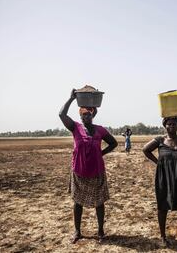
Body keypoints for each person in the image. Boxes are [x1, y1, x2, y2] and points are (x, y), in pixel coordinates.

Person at [59, 88, 118, 244]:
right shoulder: (75, 128)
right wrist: (71, 98)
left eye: (89, 113)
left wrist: (101, 153)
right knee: (77, 202)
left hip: (97, 172)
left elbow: (114, 143)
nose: (86, 116)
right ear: (80, 115)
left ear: (93, 114)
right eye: (84, 114)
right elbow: (61, 115)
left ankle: (100, 231)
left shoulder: (100, 130)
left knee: (100, 202)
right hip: (79, 172)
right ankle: (77, 231)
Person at [142, 116, 177, 248]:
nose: (171, 126)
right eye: (169, 124)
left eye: (174, 124)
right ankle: (162, 236)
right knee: (162, 205)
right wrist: (158, 163)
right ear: (165, 126)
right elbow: (145, 149)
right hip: (164, 177)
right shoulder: (160, 140)